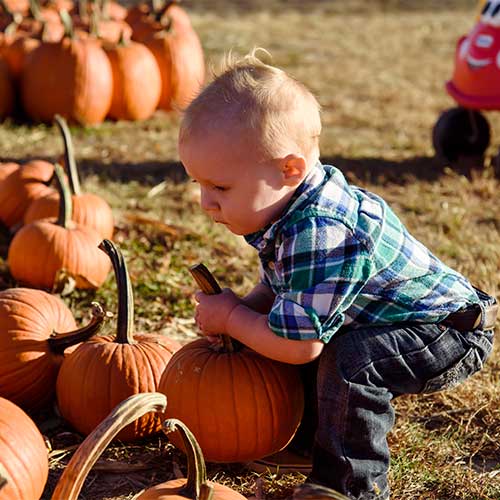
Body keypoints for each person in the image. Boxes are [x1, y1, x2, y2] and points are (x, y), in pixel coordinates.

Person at [178, 52, 498, 500]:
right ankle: (308, 443)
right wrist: (247, 309)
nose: (205, 203)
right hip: (400, 322)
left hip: (448, 333)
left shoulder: (321, 231)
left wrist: (233, 319)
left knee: (351, 359)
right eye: (199, 184)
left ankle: (350, 485)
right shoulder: (288, 209)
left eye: (220, 188)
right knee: (296, 331)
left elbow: (299, 344)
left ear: (288, 169)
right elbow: (284, 291)